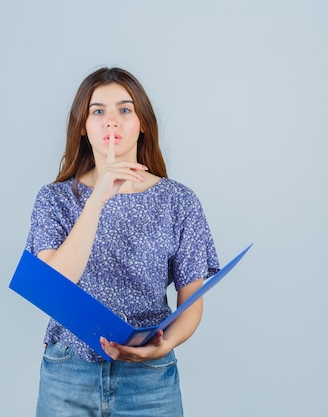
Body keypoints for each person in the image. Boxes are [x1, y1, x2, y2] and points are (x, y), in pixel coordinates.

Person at [25, 67, 219, 417]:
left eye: (124, 109)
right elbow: (53, 285)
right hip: (68, 376)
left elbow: (191, 302)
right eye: (98, 111)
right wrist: (97, 198)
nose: (110, 121)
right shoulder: (54, 200)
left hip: (149, 381)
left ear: (142, 122)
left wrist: (164, 347)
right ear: (83, 126)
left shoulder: (179, 201)